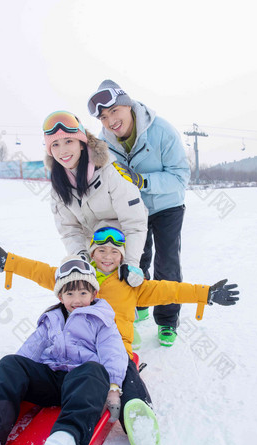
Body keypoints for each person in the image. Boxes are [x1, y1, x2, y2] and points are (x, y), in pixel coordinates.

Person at [0, 229, 239, 445]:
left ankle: (138, 420)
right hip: (62, 362)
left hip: (111, 352)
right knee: (14, 364)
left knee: (124, 373)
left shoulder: (131, 283)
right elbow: (38, 272)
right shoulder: (72, 277)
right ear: (92, 253)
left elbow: (171, 289)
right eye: (101, 250)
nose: (107, 257)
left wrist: (206, 293)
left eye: (114, 252)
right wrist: (8, 261)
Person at [0, 257, 128, 445]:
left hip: (82, 384)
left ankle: (67, 436)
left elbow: (113, 353)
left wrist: (113, 387)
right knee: (11, 362)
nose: (77, 299)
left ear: (94, 294)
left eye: (83, 293)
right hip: (50, 380)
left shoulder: (101, 320)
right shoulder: (51, 319)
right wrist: (6, 377)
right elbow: (29, 352)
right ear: (60, 296)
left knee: (93, 370)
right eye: (70, 294)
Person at [87, 80, 191, 346]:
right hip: (132, 209)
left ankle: (167, 321)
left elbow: (180, 177)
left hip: (168, 206)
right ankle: (139, 301)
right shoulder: (104, 144)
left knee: (167, 264)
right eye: (103, 116)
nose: (110, 121)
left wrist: (142, 180)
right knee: (135, 259)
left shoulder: (162, 131)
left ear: (128, 105)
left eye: (114, 111)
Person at [43, 110, 148, 288]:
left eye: (69, 141)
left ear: (82, 144)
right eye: (55, 145)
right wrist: (81, 257)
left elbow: (134, 222)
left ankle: (139, 310)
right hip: (93, 248)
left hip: (120, 242)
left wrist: (131, 263)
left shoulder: (110, 172)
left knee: (123, 291)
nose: (63, 151)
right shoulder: (58, 186)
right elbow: (69, 230)